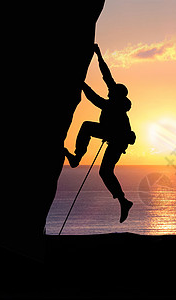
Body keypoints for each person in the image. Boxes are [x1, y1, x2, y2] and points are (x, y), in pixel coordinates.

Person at [64, 44, 136, 223]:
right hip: (112, 136)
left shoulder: (115, 105)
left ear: (118, 95)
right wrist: (99, 55)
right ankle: (123, 201)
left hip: (117, 141)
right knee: (105, 171)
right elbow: (107, 75)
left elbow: (94, 99)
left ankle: (77, 158)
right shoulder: (115, 96)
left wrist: (81, 82)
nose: (110, 90)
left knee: (105, 170)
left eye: (113, 91)